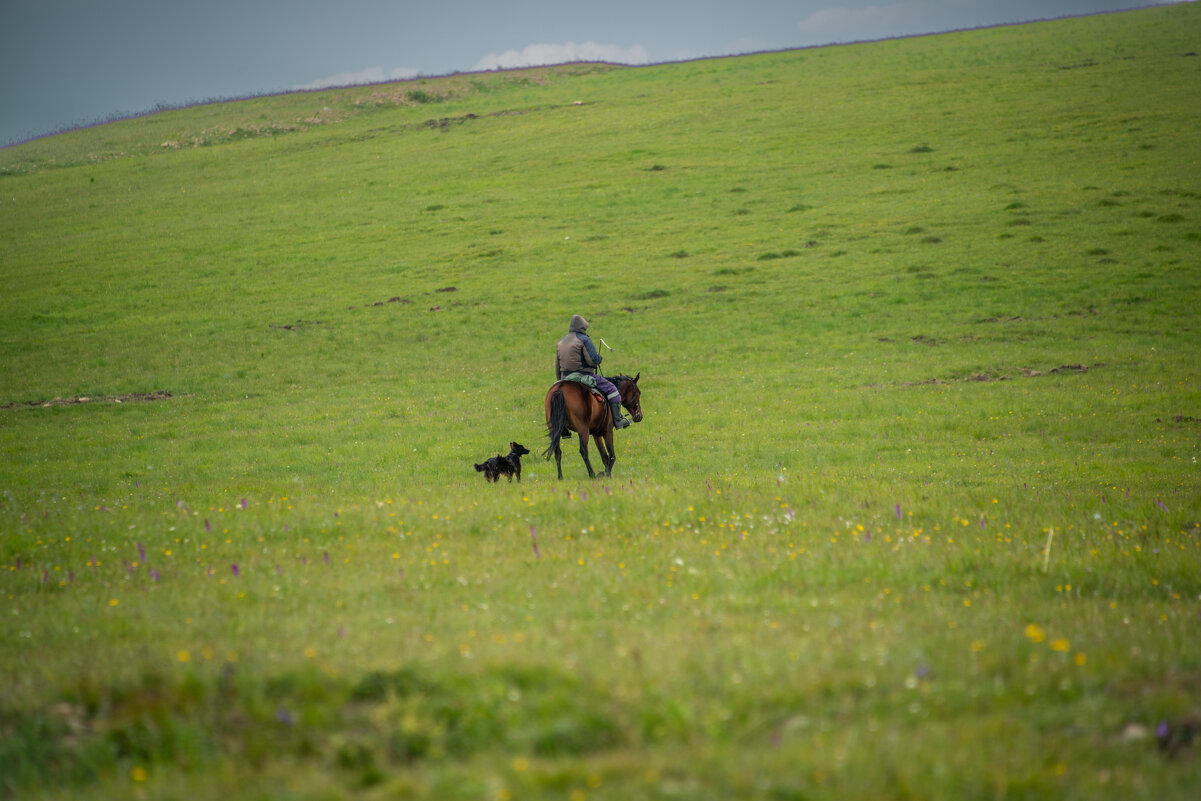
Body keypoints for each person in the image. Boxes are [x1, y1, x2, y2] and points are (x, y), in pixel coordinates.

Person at [555, 314, 631, 429]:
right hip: (583, 375)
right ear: (583, 327)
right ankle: (618, 421)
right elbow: (593, 361)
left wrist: (560, 380)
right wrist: (599, 358)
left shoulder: (561, 341)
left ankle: (562, 426)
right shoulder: (584, 339)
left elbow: (557, 364)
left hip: (566, 377)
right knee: (612, 389)